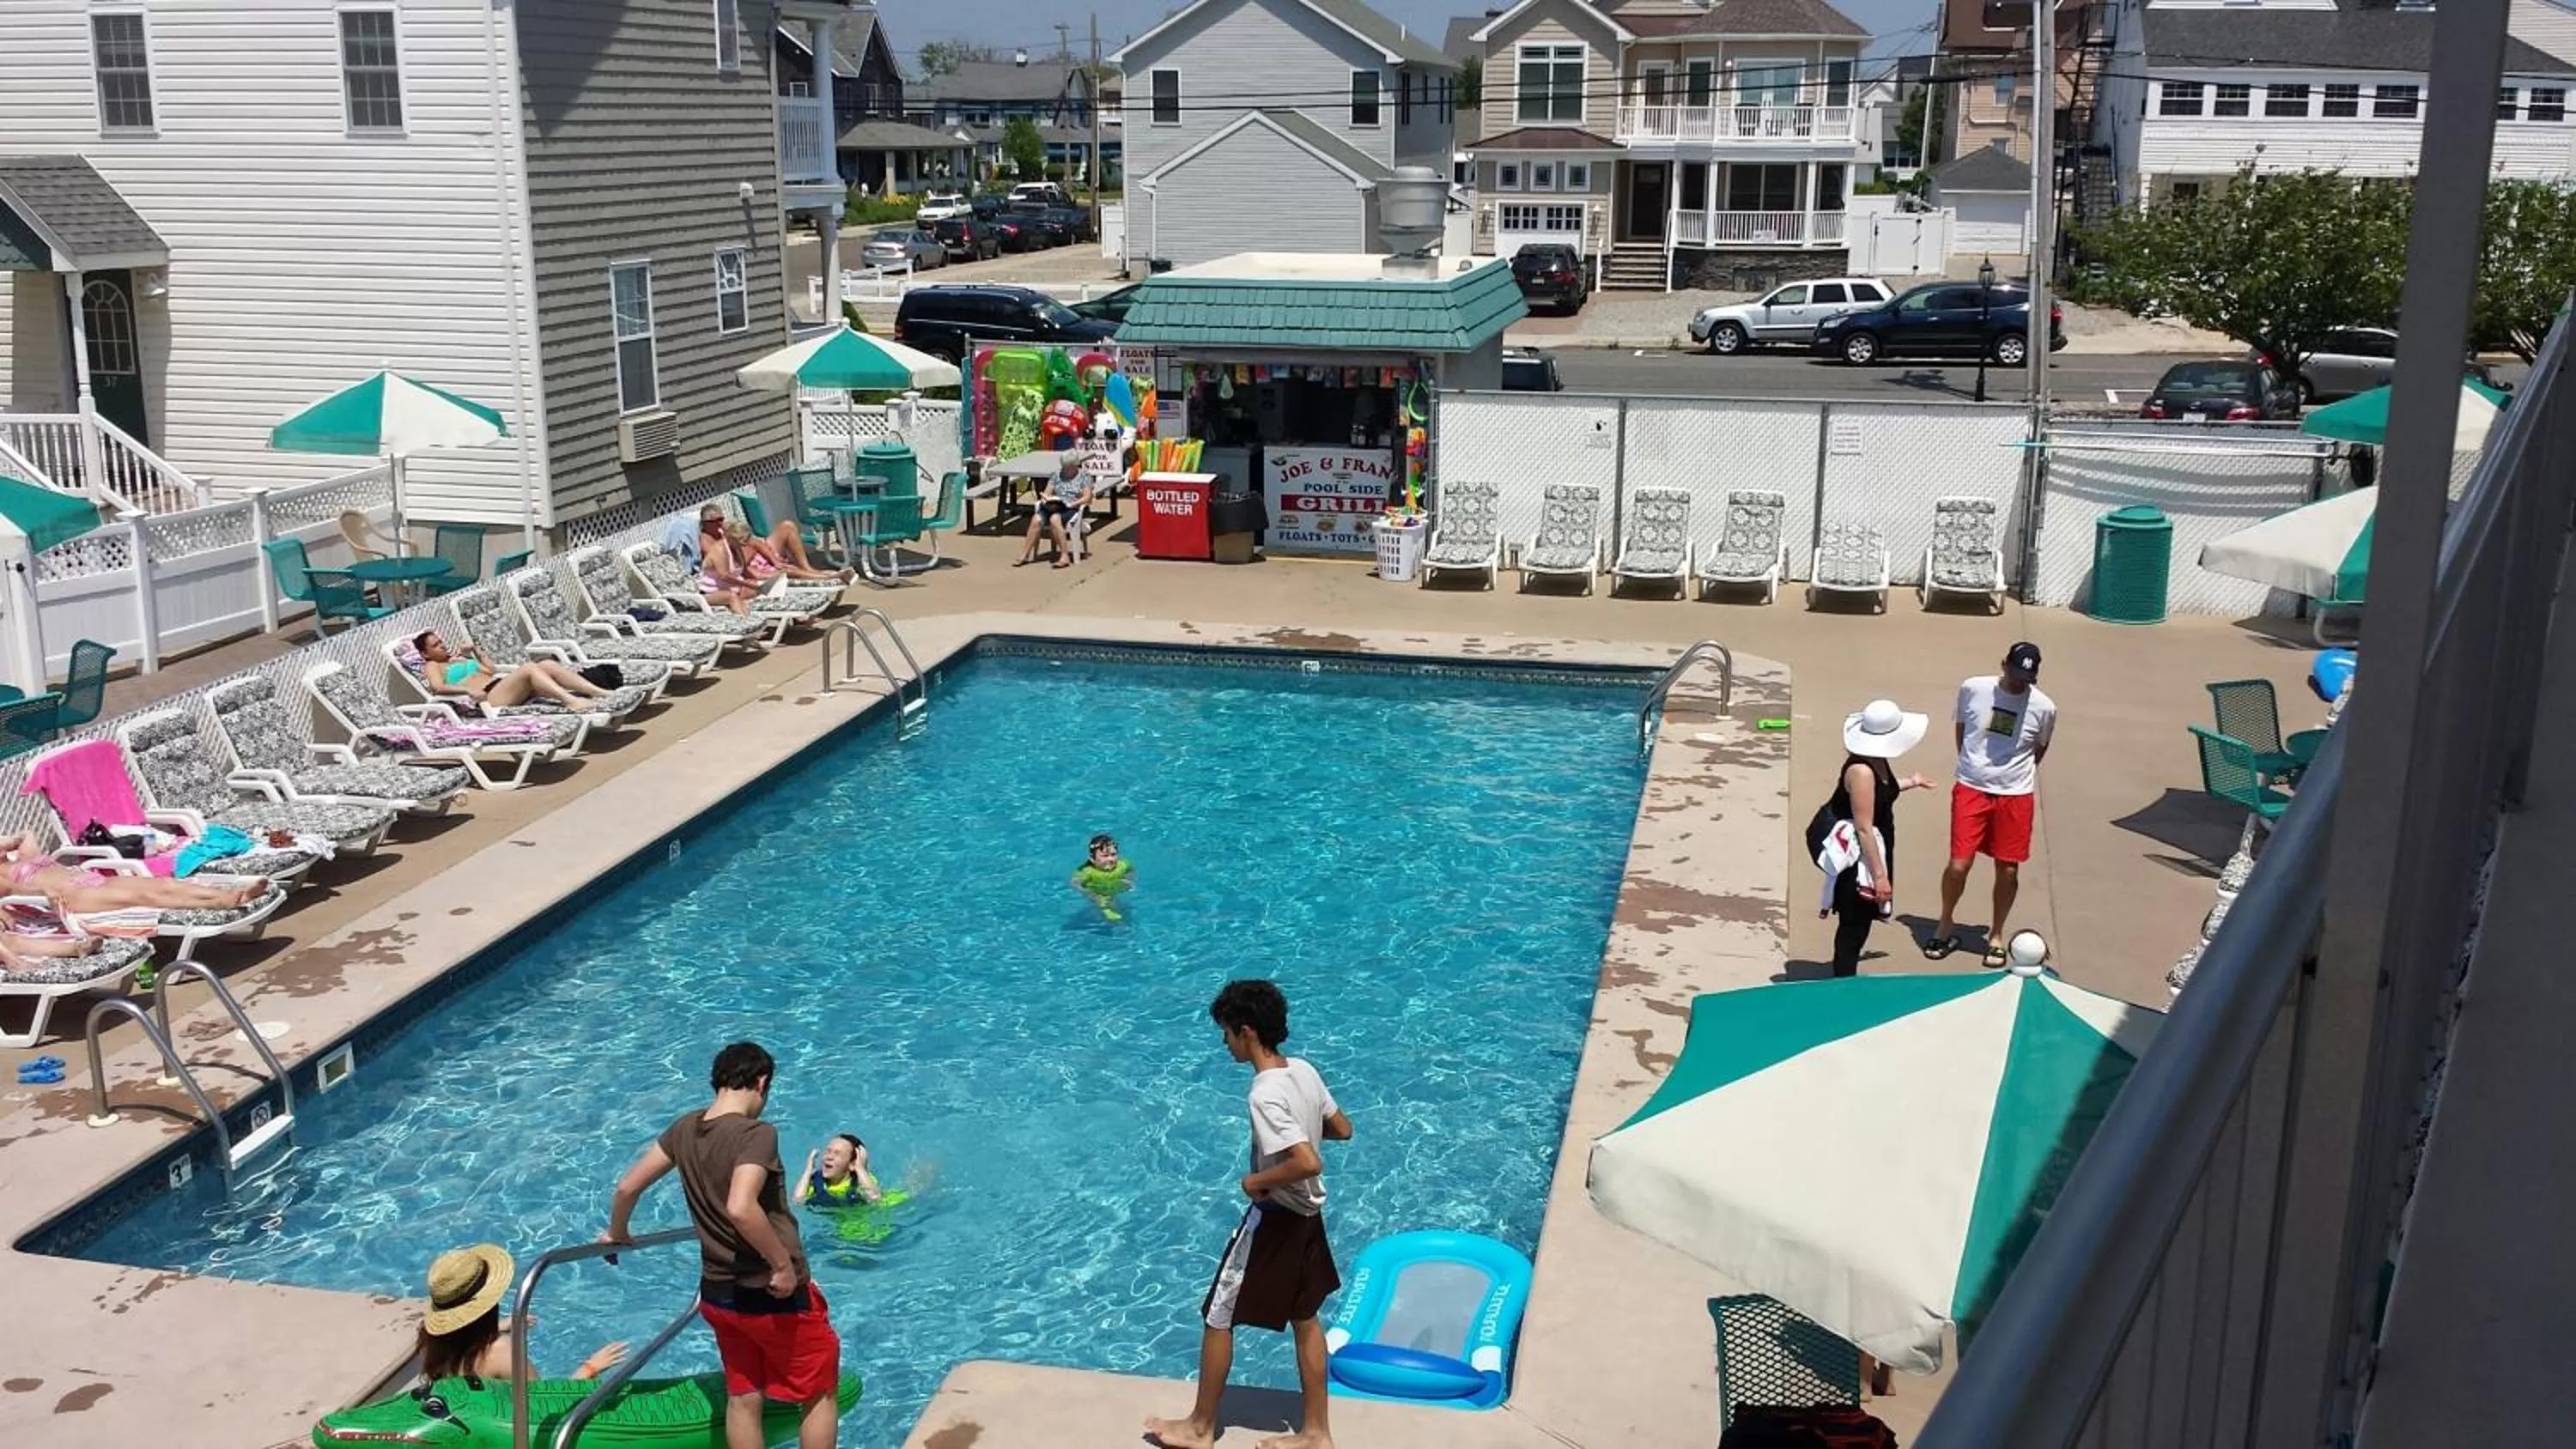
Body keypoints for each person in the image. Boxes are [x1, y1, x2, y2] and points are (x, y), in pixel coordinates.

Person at [601, 1042, 840, 1449]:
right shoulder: (756, 1134)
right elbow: (741, 1207)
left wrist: (617, 1232)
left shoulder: (684, 1128)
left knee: (743, 1397)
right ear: (761, 1082)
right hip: (770, 1294)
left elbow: (627, 1187)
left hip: (718, 1296)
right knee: (818, 1392)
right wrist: (782, 1266)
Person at [1146, 980, 1352, 1449]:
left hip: (1277, 1219)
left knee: (1218, 1314)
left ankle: (1201, 1428)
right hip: (1309, 1219)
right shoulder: (1303, 1070)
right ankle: (1316, 1433)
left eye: (1226, 1032)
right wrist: (1299, 1133)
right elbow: (1342, 1129)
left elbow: (1307, 1162)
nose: (1224, 1043)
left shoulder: (1264, 1093)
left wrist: (1256, 1181)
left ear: (1247, 1031)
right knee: (1305, 1318)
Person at [1929, 642, 2059, 969]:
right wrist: (1974, 767)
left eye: (2026, 679)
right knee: (1959, 864)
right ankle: (1945, 923)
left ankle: (1997, 934)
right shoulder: (1973, 688)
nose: (2018, 683)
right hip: (1971, 787)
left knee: (2008, 868)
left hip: (2015, 794)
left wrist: (2014, 775)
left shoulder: (2044, 708)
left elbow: (2039, 748)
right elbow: (1961, 729)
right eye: (2014, 674)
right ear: (2003, 665)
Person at [1819, 701, 1935, 979]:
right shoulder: (1861, 771)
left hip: (1874, 850)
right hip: (1860, 858)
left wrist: (1911, 782)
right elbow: (1863, 828)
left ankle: (1845, 977)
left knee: (1862, 920)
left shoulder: (1877, 762)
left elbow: (1883, 791)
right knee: (1853, 925)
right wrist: (1880, 877)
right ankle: (1843, 984)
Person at [411, 1243, 628, 1385]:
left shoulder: (429, 1340)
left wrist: (498, 1327)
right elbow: (541, 1405)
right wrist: (590, 1368)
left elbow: (462, 1343)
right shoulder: (501, 1351)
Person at [0, 832, 267, 911]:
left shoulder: (23, 856)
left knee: (160, 884)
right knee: (144, 898)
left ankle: (228, 892)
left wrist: (6, 843)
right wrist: (44, 892)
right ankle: (222, 902)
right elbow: (17, 891)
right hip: (71, 896)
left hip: (86, 878)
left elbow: (26, 834)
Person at [412, 631, 620, 712]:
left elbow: (490, 670)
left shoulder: (458, 659)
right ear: (425, 653)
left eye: (441, 641)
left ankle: (597, 691)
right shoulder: (433, 666)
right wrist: (468, 691)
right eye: (436, 645)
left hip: (500, 685)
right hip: (488, 699)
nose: (443, 645)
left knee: (546, 664)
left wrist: (475, 651)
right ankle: (571, 701)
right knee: (529, 668)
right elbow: (437, 687)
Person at [1015, 451, 1095, 570]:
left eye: (1068, 467)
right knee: (1036, 519)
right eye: (1064, 467)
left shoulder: (1084, 476)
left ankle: (1064, 556)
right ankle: (1025, 555)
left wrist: (1072, 504)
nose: (1065, 470)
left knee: (1055, 519)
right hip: (1055, 505)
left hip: (1071, 507)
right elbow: (1047, 492)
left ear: (1075, 465)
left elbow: (1087, 498)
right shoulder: (1057, 474)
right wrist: (1046, 500)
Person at [723, 518, 849, 586]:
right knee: (790, 571)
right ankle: (830, 577)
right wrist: (775, 573)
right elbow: (752, 574)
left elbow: (757, 543)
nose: (746, 543)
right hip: (757, 569)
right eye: (743, 542)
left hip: (762, 556)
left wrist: (775, 561)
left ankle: (808, 568)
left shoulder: (739, 537)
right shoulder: (730, 554)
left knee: (787, 526)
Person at [693, 506, 763, 615]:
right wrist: (747, 584)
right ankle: (746, 622)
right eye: (742, 541)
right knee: (732, 597)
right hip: (709, 592)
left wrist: (762, 581)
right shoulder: (720, 549)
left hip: (730, 588)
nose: (745, 545)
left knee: (755, 589)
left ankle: (753, 616)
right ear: (732, 538)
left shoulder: (737, 547)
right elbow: (724, 576)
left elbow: (744, 572)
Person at [796, 1132, 882, 1207]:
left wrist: (860, 1168)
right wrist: (808, 1172)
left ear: (852, 1164)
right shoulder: (814, 1182)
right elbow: (798, 1201)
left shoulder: (862, 1181)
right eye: (828, 1151)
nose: (829, 1157)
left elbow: (875, 1199)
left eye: (837, 1154)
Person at [1071, 833, 1134, 921]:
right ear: (1092, 859)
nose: (1110, 859)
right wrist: (1091, 895)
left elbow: (1129, 869)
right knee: (1103, 907)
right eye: (1105, 856)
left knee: (1119, 907)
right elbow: (1074, 883)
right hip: (1096, 892)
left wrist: (1128, 881)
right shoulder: (1087, 871)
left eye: (1113, 854)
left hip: (1113, 890)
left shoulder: (1122, 865)